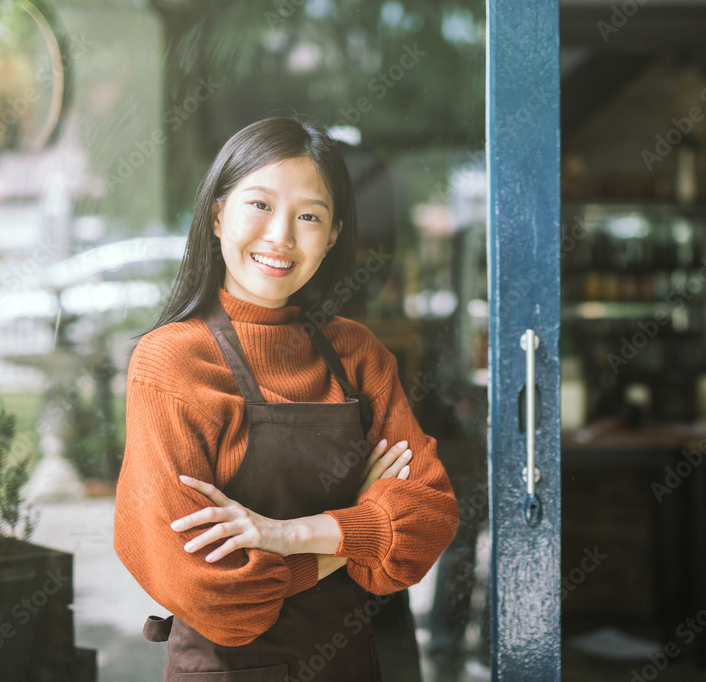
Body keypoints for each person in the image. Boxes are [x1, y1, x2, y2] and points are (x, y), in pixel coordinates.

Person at [114, 116, 458, 681]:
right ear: (218, 211)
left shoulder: (357, 354)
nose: (281, 236)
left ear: (333, 235)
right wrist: (357, 536)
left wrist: (284, 535)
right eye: (259, 205)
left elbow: (430, 520)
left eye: (308, 217)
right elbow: (212, 593)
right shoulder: (171, 362)